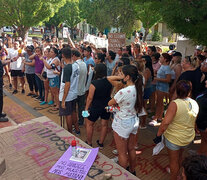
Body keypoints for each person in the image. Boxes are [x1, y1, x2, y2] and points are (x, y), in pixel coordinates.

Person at [155, 80, 199, 180]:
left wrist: (158, 134)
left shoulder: (175, 104)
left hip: (174, 138)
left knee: (173, 161)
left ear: (177, 91)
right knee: (179, 156)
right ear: (189, 91)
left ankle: (174, 177)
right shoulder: (194, 103)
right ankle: (178, 174)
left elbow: (165, 123)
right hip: (187, 137)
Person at [108, 65, 143, 175]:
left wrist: (116, 107)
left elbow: (110, 103)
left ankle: (123, 175)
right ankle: (132, 171)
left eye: (121, 74)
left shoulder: (123, 91)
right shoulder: (138, 88)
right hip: (133, 121)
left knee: (122, 153)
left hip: (122, 122)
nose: (119, 76)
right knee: (131, 149)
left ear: (127, 77)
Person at [85, 64, 112, 148]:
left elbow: (90, 98)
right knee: (104, 124)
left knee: (89, 124)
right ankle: (101, 142)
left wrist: (86, 108)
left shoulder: (94, 83)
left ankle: (89, 142)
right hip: (107, 106)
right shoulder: (109, 82)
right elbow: (110, 94)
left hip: (96, 106)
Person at [59, 47, 80, 133]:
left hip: (67, 95)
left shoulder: (68, 68)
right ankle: (77, 129)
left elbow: (67, 84)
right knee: (73, 112)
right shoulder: (76, 65)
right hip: (74, 93)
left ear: (63, 55)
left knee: (68, 115)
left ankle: (69, 132)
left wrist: (63, 100)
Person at [149, 53, 172, 126]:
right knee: (159, 102)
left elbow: (168, 79)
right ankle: (158, 116)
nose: (160, 58)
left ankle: (156, 118)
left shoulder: (167, 68)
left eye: (161, 57)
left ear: (165, 59)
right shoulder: (162, 66)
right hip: (159, 86)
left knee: (160, 103)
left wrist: (156, 78)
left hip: (163, 88)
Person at [71, 49, 87, 126]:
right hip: (82, 89)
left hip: (75, 90)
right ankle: (81, 121)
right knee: (81, 107)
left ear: (74, 56)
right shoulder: (84, 64)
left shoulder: (75, 65)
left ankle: (75, 122)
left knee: (74, 108)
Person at [196, 80, 207, 156]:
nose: (206, 81)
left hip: (205, 124)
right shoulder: (205, 91)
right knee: (204, 139)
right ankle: (200, 153)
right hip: (201, 122)